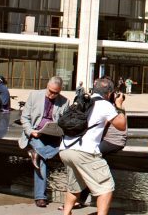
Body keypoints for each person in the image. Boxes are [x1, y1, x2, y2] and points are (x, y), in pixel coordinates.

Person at [60, 78, 126, 215]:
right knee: (106, 188)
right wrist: (119, 105)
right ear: (109, 94)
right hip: (85, 152)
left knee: (75, 186)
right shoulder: (105, 105)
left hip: (65, 149)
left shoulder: (81, 101)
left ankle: (66, 213)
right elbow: (121, 125)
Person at [18, 76, 69, 208]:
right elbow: (24, 118)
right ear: (47, 86)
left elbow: (65, 123)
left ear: (60, 90)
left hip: (53, 136)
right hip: (35, 134)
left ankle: (37, 153)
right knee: (42, 161)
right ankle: (40, 197)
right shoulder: (34, 95)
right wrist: (31, 131)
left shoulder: (64, 101)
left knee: (64, 150)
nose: (52, 95)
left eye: (55, 93)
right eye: (50, 91)